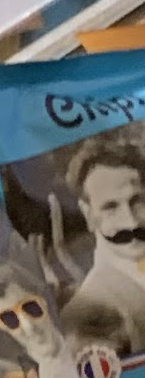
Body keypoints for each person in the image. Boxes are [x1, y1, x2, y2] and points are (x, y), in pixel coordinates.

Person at [62, 149, 145, 356]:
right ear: (88, 214)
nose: (131, 222)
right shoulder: (87, 314)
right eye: (110, 207)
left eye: (136, 201)